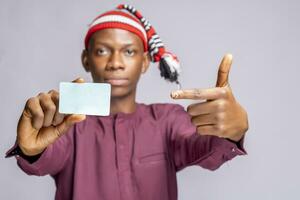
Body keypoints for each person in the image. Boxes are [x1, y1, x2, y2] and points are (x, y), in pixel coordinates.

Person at [5, 4, 248, 200]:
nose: (115, 63)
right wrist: (31, 150)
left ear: (144, 62)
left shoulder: (168, 121)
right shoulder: (68, 123)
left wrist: (229, 132)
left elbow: (204, 147)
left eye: (129, 52)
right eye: (102, 51)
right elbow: (47, 155)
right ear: (86, 60)